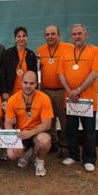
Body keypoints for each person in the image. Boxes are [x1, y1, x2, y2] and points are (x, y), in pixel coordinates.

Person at [58, 24, 98, 172]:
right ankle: (73, 155)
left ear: (86, 34)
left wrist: (78, 90)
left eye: (79, 33)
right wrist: (70, 91)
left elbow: (95, 73)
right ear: (71, 37)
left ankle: (89, 159)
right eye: (74, 34)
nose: (77, 36)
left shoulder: (95, 50)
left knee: (89, 131)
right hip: (71, 100)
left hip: (87, 101)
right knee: (71, 129)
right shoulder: (66, 52)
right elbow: (61, 74)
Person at [5, 71, 53, 177]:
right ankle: (26, 153)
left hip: (37, 133)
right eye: (25, 82)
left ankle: (40, 161)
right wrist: (13, 140)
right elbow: (8, 122)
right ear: (21, 83)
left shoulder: (44, 98)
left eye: (31, 83)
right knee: (11, 154)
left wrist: (31, 132)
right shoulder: (13, 99)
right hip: (21, 134)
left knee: (45, 141)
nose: (28, 86)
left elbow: (47, 124)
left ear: (36, 84)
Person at [36, 25, 73, 157]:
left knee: (64, 120)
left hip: (61, 91)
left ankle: (64, 145)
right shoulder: (40, 50)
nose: (50, 36)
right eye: (47, 34)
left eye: (53, 34)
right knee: (48, 120)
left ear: (59, 35)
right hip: (45, 90)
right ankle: (53, 143)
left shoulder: (69, 48)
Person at [2, 26, 37, 101]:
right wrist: (4, 91)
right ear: (15, 38)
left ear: (27, 37)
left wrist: (35, 90)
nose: (21, 38)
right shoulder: (8, 53)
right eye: (19, 36)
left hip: (27, 91)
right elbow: (3, 73)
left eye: (24, 36)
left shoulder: (31, 54)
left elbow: (34, 74)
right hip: (11, 92)